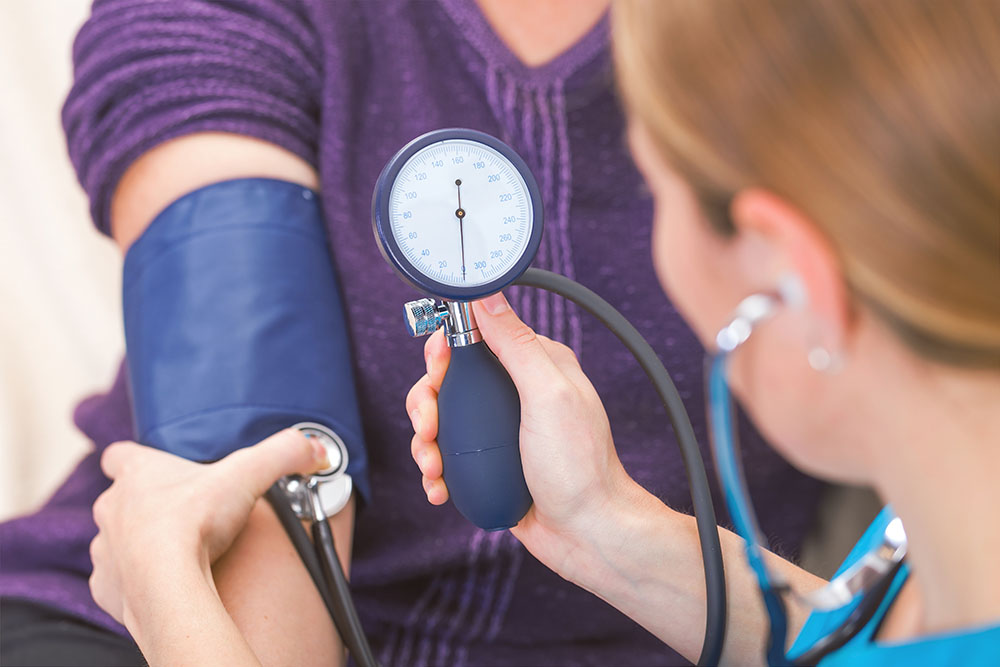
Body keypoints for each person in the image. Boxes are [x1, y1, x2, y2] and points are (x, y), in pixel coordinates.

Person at [0, 1, 828, 665]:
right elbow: (252, 441)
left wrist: (617, 531)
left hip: (683, 627)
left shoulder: (848, 41)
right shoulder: (221, 16)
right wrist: (178, 608)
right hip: (156, 615)